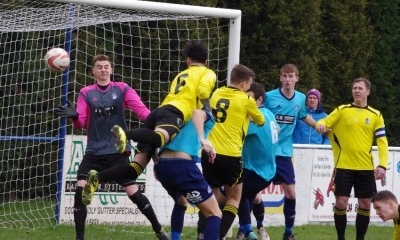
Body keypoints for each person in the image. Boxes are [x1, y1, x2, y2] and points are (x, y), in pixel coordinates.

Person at [55, 54, 169, 240]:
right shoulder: (86, 93)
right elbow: (81, 122)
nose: (103, 70)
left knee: (133, 192)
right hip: (94, 152)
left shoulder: (122, 89)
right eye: (99, 67)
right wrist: (75, 116)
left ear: (111, 69)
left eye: (106, 66)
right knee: (79, 190)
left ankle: (158, 230)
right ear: (93, 71)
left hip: (118, 151)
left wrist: (156, 122)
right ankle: (79, 238)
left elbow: (142, 111)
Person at [81, 40, 217, 195]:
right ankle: (126, 134)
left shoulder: (182, 74)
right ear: (206, 62)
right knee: (159, 139)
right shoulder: (208, 73)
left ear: (188, 60)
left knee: (133, 170)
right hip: (175, 113)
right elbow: (204, 91)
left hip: (158, 113)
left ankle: (97, 178)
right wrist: (207, 109)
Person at [316, 78, 388, 240]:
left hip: (366, 168)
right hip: (344, 166)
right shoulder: (342, 110)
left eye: (360, 88)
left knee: (364, 204)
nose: (356, 91)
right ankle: (341, 237)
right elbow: (324, 121)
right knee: (341, 202)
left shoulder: (376, 115)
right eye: (354, 88)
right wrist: (320, 124)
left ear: (368, 91)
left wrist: (382, 165)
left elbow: (382, 142)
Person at [200, 64, 265, 239]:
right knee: (234, 199)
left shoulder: (217, 93)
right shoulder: (246, 100)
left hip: (209, 152)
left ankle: (203, 233)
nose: (249, 88)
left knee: (212, 198)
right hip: (230, 155)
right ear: (243, 84)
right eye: (249, 84)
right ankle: (216, 236)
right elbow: (260, 120)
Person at [263, 63, 316, 240]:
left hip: (284, 153)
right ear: (280, 78)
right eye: (284, 76)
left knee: (291, 193)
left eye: (291, 76)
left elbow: (303, 116)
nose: (287, 79)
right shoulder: (269, 97)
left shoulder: (300, 99)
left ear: (297, 78)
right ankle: (248, 228)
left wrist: (320, 126)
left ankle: (288, 233)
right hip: (266, 151)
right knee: (251, 192)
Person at [155, 108, 222, 240]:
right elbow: (197, 113)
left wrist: (155, 161)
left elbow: (154, 136)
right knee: (215, 213)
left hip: (163, 166)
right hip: (182, 166)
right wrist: (202, 139)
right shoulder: (207, 115)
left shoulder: (176, 112)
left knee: (181, 201)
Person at [235, 82, 279, 240]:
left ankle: (247, 231)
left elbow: (238, 133)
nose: (245, 100)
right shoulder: (269, 113)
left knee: (235, 194)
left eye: (249, 97)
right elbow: (278, 129)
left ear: (259, 100)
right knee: (252, 197)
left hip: (255, 171)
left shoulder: (255, 117)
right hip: (268, 172)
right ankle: (255, 228)